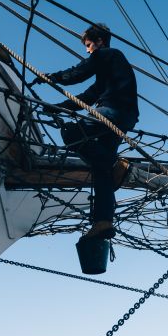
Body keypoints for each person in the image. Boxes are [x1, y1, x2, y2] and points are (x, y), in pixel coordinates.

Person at [36, 23, 138, 239]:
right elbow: (88, 96)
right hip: (124, 118)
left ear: (100, 41)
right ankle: (103, 221)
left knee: (71, 134)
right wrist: (59, 106)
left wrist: (52, 77)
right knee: (101, 170)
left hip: (111, 112)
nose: (88, 50)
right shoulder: (108, 72)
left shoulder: (108, 54)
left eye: (89, 45)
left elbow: (79, 73)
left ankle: (115, 165)